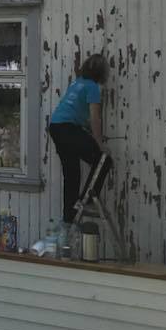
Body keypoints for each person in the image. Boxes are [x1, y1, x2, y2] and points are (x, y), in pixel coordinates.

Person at [48, 54, 109, 224]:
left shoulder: (77, 83)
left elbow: (76, 112)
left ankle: (69, 215)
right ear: (101, 73)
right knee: (103, 160)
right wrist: (99, 144)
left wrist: (88, 131)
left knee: (72, 173)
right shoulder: (93, 87)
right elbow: (95, 118)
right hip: (67, 128)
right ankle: (87, 200)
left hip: (56, 127)